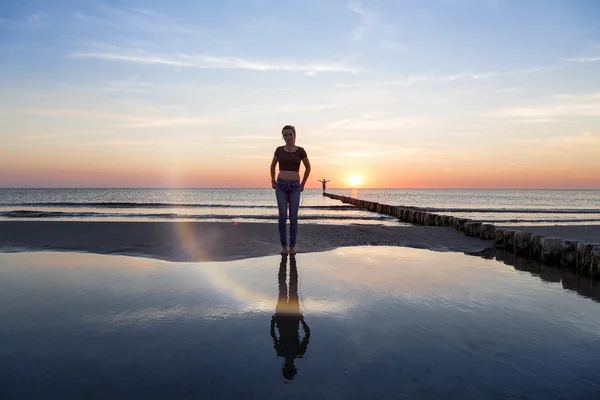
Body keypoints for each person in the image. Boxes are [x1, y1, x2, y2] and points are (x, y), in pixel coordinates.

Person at [270, 125, 311, 256]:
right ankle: (283, 246)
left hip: (295, 186)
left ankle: (292, 247)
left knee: (293, 217)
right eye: (285, 135)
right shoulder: (279, 150)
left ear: (294, 135)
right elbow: (272, 166)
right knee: (282, 216)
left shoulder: (301, 151)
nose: (288, 137)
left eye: (290, 134)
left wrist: (302, 184)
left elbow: (308, 168)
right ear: (283, 137)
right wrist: (273, 181)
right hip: (281, 186)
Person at [270, 254, 310, 381]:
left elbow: (273, 335)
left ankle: (286, 260)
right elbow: (307, 334)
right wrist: (302, 320)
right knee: (291, 286)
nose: (289, 365)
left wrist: (273, 320)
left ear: (284, 367)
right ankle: (291, 260)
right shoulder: (299, 352)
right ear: (293, 367)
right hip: (292, 316)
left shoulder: (280, 352)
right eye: (290, 368)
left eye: (287, 368)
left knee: (283, 286)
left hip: (283, 316)